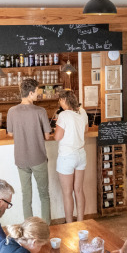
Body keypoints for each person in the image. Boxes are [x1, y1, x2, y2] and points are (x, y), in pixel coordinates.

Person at [6, 78, 52, 223]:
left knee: (26, 196)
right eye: (37, 92)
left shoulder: (11, 111)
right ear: (31, 93)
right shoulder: (40, 111)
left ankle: (29, 228)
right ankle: (47, 227)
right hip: (38, 158)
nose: (38, 94)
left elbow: (10, 134)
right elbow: (47, 135)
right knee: (44, 194)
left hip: (21, 159)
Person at [54, 90, 88, 222]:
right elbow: (85, 130)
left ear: (64, 100)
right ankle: (80, 222)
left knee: (67, 192)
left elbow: (57, 137)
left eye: (60, 100)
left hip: (67, 156)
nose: (59, 102)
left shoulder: (64, 115)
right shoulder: (82, 111)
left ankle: (69, 224)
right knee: (79, 190)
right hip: (81, 154)